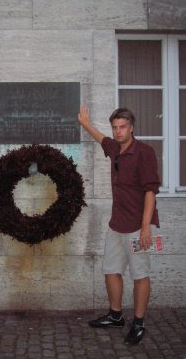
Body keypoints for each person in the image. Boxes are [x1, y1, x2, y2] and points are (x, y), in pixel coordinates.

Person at [78, 104, 160, 345]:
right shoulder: (115, 149)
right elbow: (101, 139)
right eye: (115, 127)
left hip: (139, 225)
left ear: (132, 127)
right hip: (117, 224)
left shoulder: (144, 152)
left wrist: (145, 228)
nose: (118, 132)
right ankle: (115, 316)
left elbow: (150, 192)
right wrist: (85, 124)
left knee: (140, 274)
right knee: (111, 270)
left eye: (122, 127)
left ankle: (138, 322)